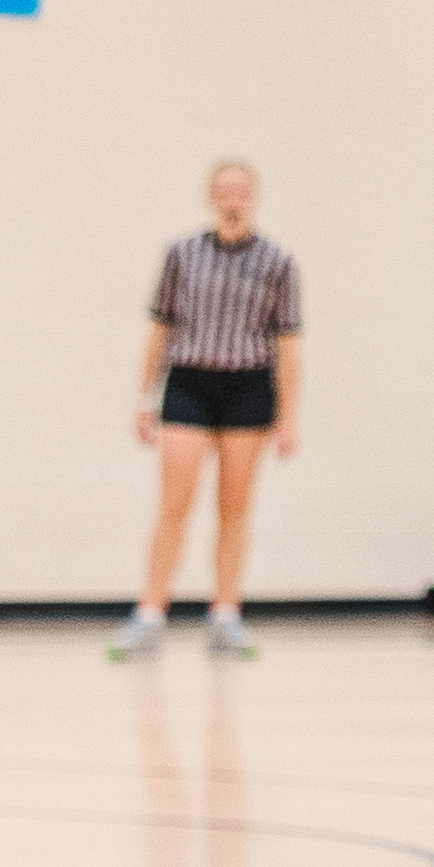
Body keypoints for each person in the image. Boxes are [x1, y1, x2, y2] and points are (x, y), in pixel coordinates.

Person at [115, 158, 298, 660]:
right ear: (211, 196)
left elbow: (288, 343)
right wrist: (143, 398)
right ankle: (151, 613)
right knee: (174, 504)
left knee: (234, 508)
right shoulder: (181, 253)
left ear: (253, 197)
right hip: (190, 382)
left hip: (248, 385)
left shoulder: (278, 261)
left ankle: (225, 614)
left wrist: (288, 415)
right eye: (224, 191)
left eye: (242, 191)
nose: (233, 199)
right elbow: (159, 329)